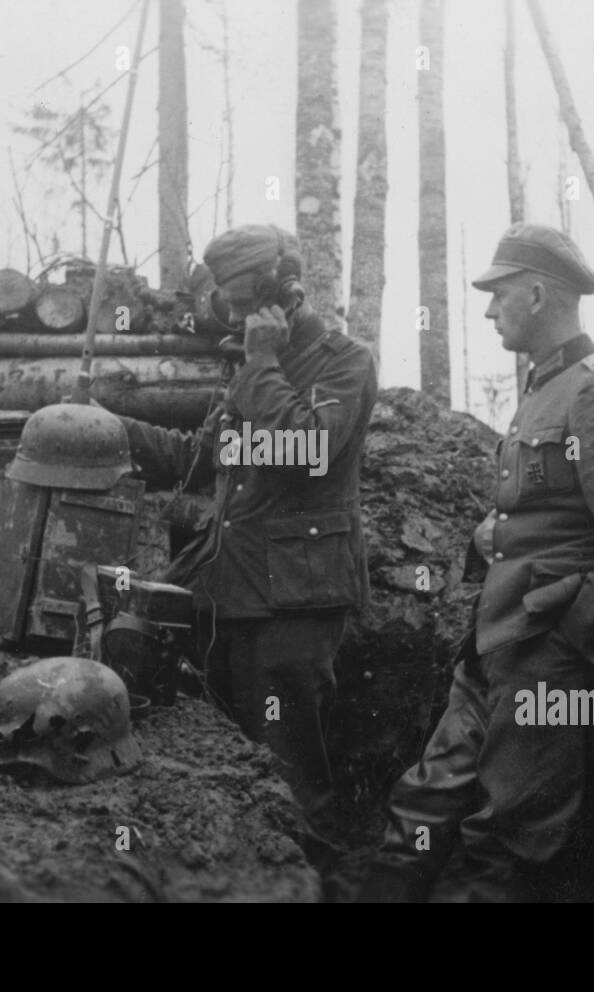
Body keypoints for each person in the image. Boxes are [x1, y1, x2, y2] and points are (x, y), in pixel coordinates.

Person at [358, 222, 594, 901]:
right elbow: (545, 516)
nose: (489, 309)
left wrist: (570, 643)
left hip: (544, 658)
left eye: (498, 295)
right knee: (426, 798)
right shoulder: (542, 391)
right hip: (493, 643)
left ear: (536, 293)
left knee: (509, 833)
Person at [117, 224, 378, 851]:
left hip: (293, 604)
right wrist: (110, 425)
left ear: (285, 292)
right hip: (227, 588)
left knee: (289, 776)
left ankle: (318, 879)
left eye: (240, 308)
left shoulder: (344, 361)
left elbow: (306, 450)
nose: (231, 320)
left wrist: (261, 363)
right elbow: (203, 458)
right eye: (226, 309)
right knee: (231, 774)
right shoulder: (252, 369)